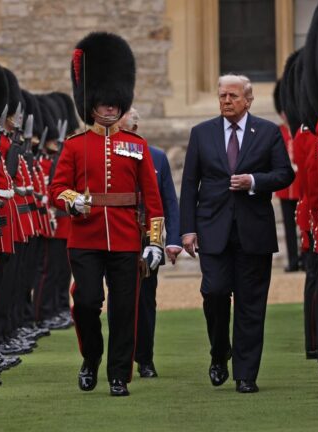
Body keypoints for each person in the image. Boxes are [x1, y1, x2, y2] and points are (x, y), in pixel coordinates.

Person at [50, 32, 164, 397]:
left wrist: (156, 242)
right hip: (85, 236)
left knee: (124, 310)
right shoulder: (74, 145)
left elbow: (152, 198)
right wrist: (73, 201)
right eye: (103, 101)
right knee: (85, 302)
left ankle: (119, 375)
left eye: (115, 102)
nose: (111, 107)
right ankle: (91, 358)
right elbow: (56, 188)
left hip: (127, 237)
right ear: (91, 102)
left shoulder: (137, 146)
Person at [178, 74, 294, 393]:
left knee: (250, 304)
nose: (226, 101)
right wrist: (186, 230)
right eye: (221, 96)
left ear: (248, 100)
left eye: (232, 96)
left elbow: (285, 174)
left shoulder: (268, 132)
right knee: (214, 292)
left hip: (253, 230)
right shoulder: (201, 134)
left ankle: (246, 374)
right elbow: (189, 185)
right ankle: (220, 352)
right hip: (212, 228)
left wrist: (254, 182)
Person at [118, 108, 182, 379]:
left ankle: (145, 358)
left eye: (135, 127)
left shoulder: (156, 156)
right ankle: (120, 359)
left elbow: (169, 201)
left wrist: (173, 240)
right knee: (121, 301)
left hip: (147, 237)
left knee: (146, 301)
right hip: (119, 235)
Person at [272, 82, 302, 272]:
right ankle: (293, 260)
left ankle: (307, 257)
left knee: (305, 224)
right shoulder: (279, 131)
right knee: (290, 228)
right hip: (285, 187)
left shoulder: (301, 130)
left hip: (301, 185)